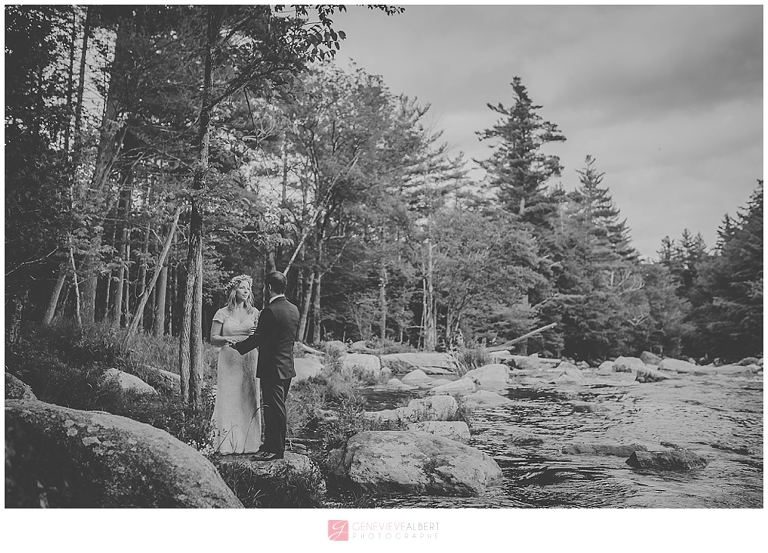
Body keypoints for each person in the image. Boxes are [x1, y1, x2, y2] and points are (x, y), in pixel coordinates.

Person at [231, 271, 300, 461]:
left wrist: (238, 346)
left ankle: (276, 450)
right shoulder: (294, 309)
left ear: (268, 287)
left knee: (275, 409)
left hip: (272, 368)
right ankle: (271, 443)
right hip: (286, 367)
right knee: (274, 407)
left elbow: (259, 338)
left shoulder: (270, 311)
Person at [209, 274, 262, 454]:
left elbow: (261, 337)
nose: (246, 291)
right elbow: (213, 338)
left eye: (248, 288)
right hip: (229, 357)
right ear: (233, 290)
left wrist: (254, 334)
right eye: (242, 287)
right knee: (228, 397)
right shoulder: (222, 313)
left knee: (249, 396)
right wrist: (229, 339)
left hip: (249, 358)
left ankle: (249, 443)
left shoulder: (255, 313)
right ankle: (226, 442)